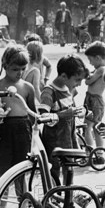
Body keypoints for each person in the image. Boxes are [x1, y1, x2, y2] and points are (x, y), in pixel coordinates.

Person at [0, 45, 37, 177]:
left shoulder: (27, 87)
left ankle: (23, 196)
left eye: (23, 69)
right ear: (5, 66)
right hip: (4, 131)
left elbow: (33, 114)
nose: (19, 73)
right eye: (15, 69)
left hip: (23, 131)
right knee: (4, 169)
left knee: (22, 169)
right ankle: (1, 196)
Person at [38, 55, 87, 186]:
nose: (79, 84)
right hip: (54, 140)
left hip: (68, 138)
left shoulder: (68, 89)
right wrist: (61, 115)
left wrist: (81, 112)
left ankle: (68, 199)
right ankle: (52, 197)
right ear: (64, 76)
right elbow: (43, 117)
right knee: (53, 171)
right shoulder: (49, 92)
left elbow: (72, 107)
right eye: (77, 80)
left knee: (69, 169)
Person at [83, 42, 105, 154]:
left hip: (95, 100)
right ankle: (98, 153)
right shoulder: (100, 69)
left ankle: (92, 152)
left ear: (98, 58)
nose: (90, 63)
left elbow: (88, 81)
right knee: (94, 127)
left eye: (91, 59)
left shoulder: (101, 69)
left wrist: (87, 75)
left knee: (89, 127)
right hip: (92, 99)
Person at [23, 41, 44, 105]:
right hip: (28, 101)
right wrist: (43, 104)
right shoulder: (35, 71)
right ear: (39, 55)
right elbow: (36, 90)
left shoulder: (23, 67)